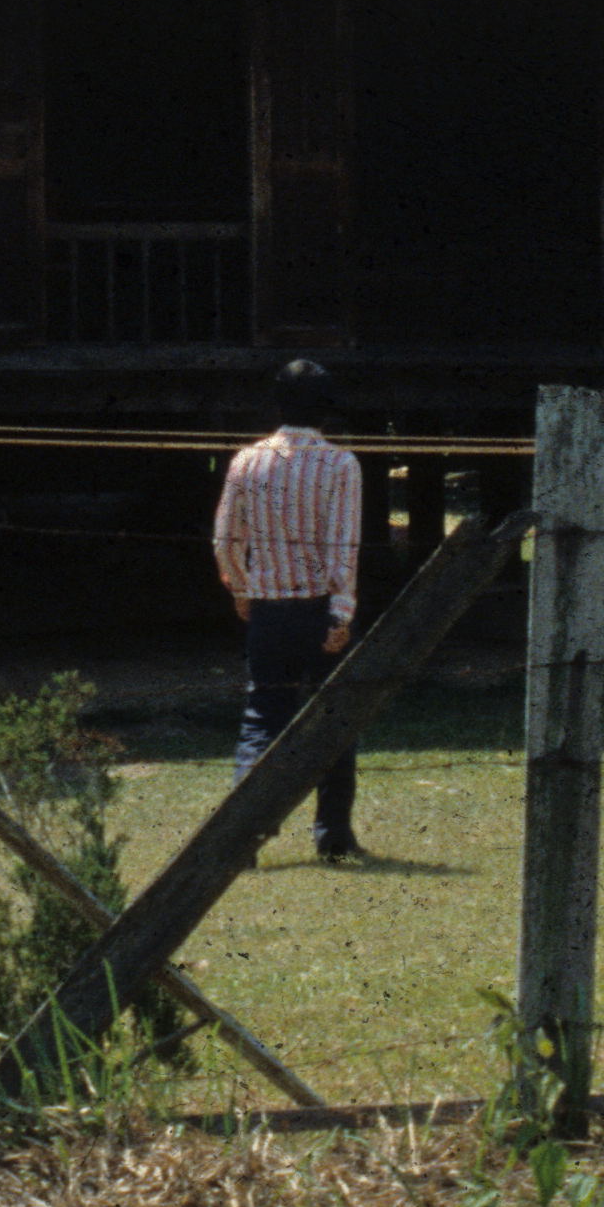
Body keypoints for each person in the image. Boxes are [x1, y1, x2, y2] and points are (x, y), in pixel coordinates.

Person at [212, 359, 366, 861]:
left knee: (261, 719)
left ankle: (241, 836)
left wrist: (240, 586)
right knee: (334, 721)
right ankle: (333, 836)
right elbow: (344, 546)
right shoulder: (341, 465)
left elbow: (224, 536)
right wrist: (340, 615)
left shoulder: (247, 461)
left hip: (269, 608)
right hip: (319, 608)